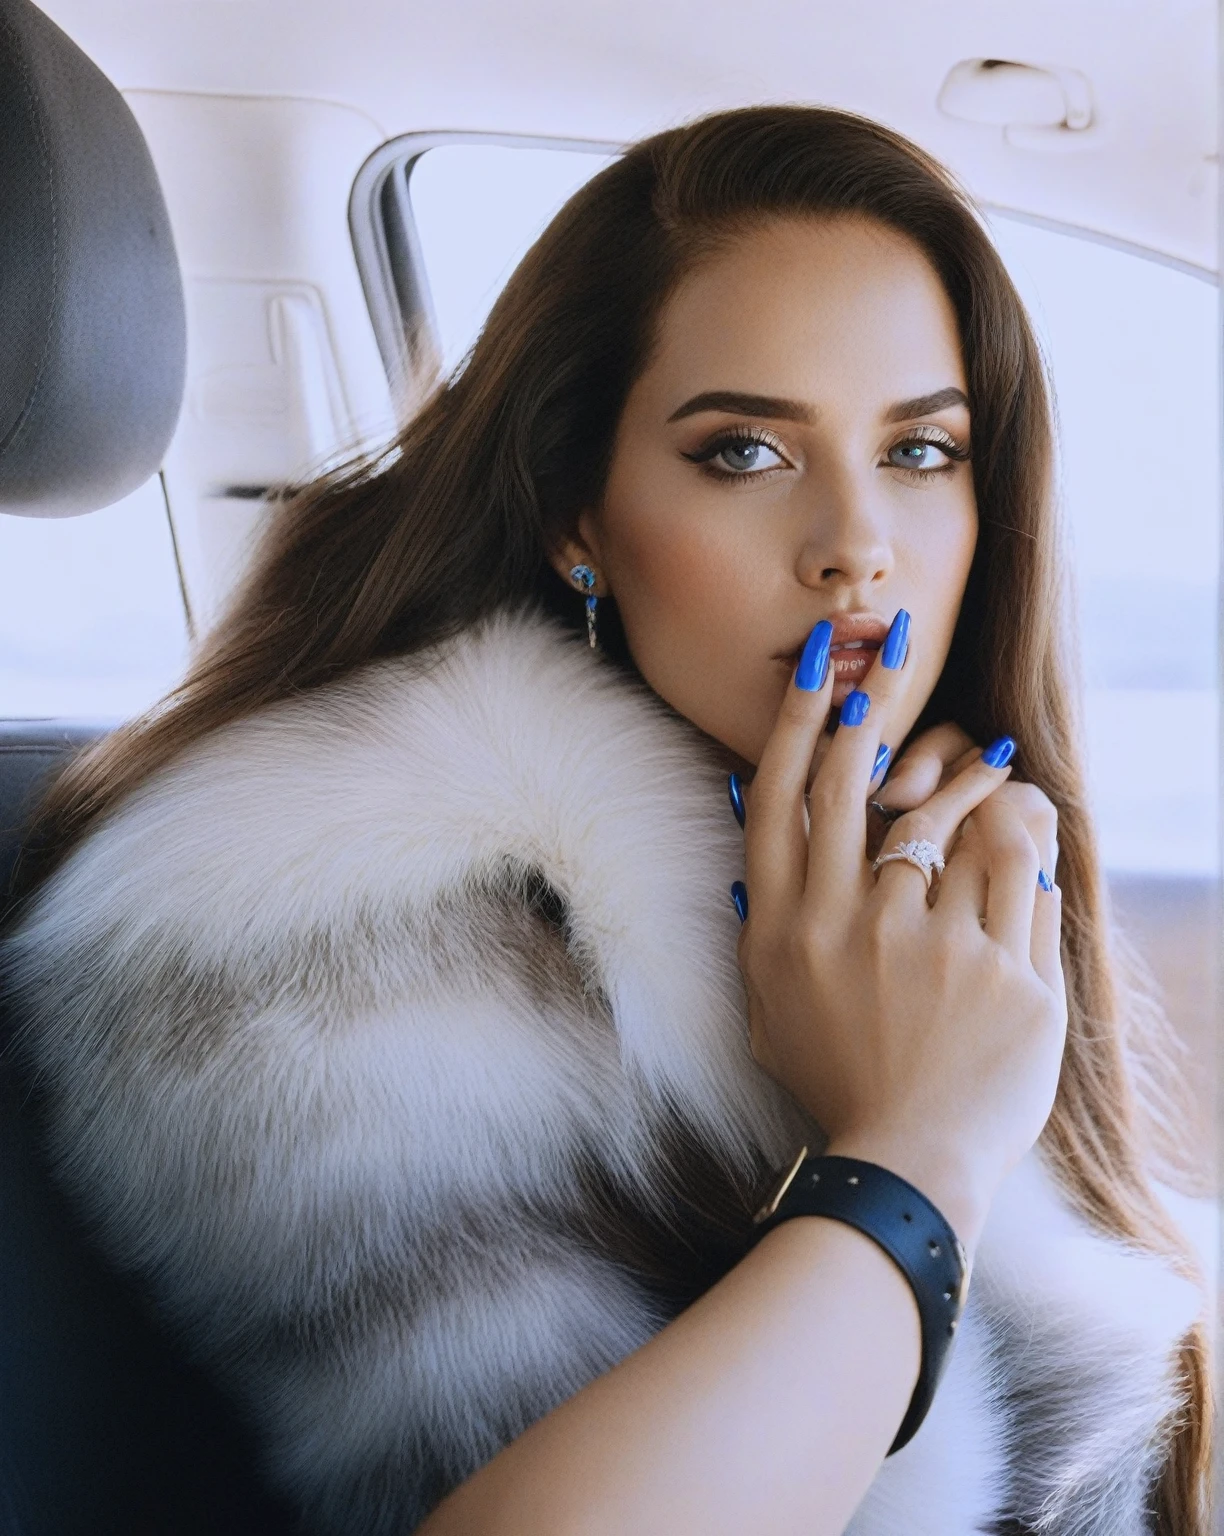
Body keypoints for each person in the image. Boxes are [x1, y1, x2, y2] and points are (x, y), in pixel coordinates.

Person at [1, 106, 1208, 1535]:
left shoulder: (921, 878)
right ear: (581, 515)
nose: (856, 546)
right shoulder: (316, 925)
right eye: (747, 453)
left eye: (922, 452)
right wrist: (919, 1148)